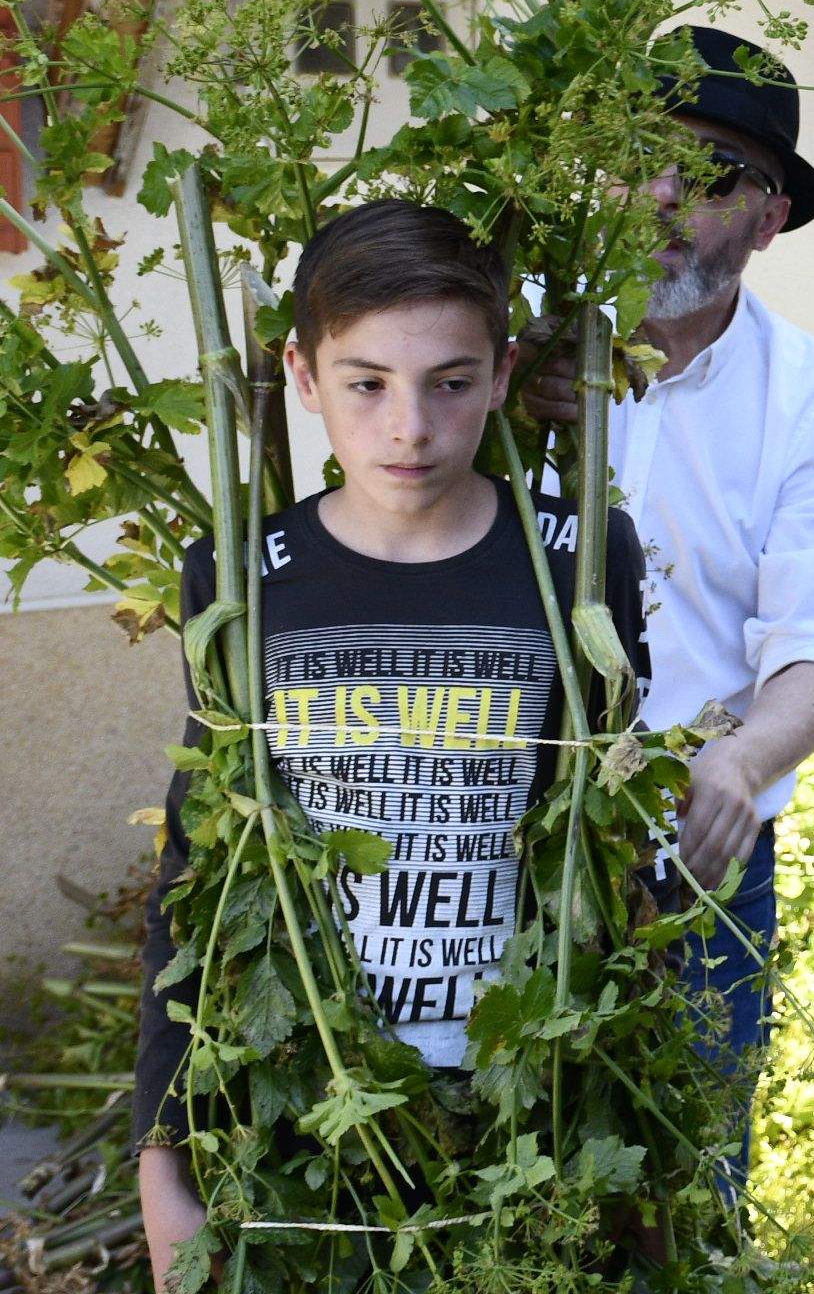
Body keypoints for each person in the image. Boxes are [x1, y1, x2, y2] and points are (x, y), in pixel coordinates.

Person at [134, 202, 652, 1284]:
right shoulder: (242, 577)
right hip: (312, 1102)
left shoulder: (578, 564)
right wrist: (162, 1149)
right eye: (366, 382)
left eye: (451, 381)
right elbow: (201, 865)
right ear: (303, 374)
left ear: (505, 372)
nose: (409, 425)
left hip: (531, 1101)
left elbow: (614, 850)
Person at [521, 28, 814, 1133]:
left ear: (772, 217)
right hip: (489, 831)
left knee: (686, 1193)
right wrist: (489, 386)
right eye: (643, 150)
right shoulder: (504, 338)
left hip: (688, 852)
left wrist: (741, 757)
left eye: (717, 173)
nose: (665, 190)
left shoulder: (811, 401)